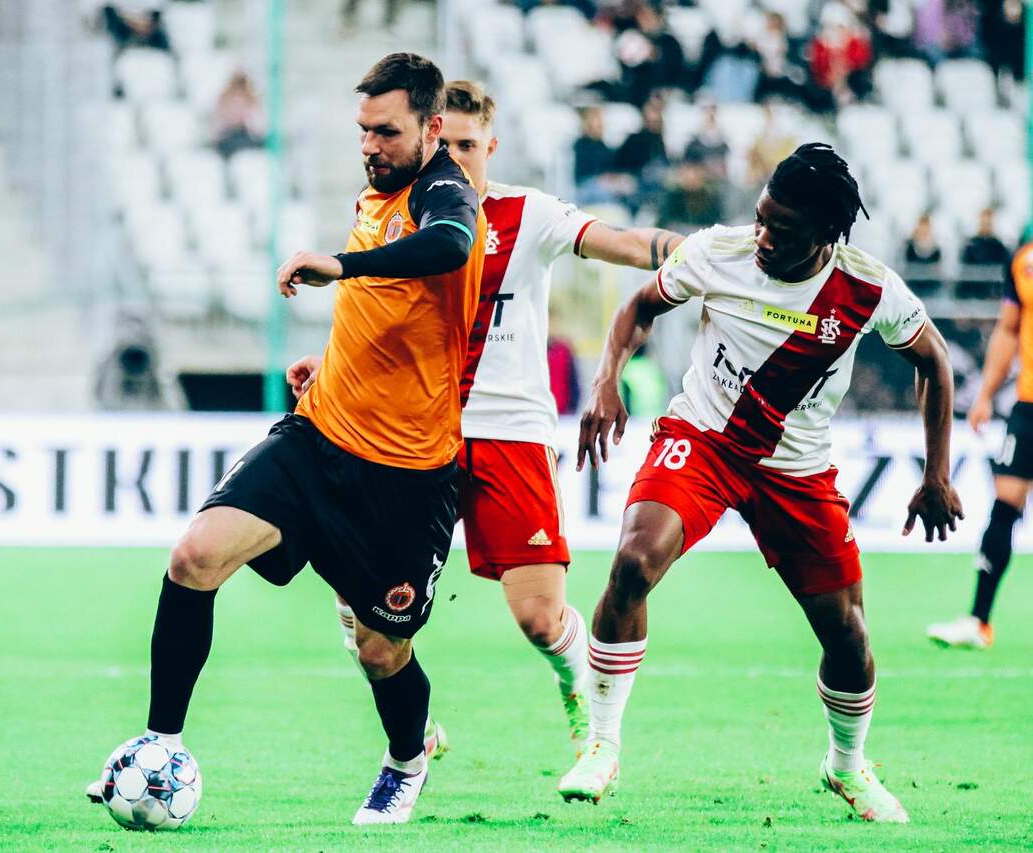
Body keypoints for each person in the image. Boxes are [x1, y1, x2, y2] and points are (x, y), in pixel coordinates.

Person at [88, 53, 487, 826]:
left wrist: (340, 265)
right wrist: (331, 362)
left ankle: (407, 759)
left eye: (387, 131)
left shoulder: (445, 191)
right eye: (363, 130)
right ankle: (157, 747)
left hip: (406, 476)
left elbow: (449, 246)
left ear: (433, 128)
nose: (370, 146)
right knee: (195, 555)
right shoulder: (378, 189)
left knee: (381, 650)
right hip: (319, 438)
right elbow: (394, 318)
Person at [557, 143, 963, 823]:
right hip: (704, 440)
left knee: (847, 635)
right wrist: (606, 382)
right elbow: (638, 308)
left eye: (784, 229)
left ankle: (846, 765)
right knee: (632, 561)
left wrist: (937, 473)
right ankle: (601, 746)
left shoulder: (869, 288)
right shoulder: (720, 250)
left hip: (796, 469)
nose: (764, 238)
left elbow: (935, 361)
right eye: (762, 218)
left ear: (827, 234)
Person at [289, 80, 683, 778]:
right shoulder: (398, 212)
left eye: (468, 146)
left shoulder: (528, 213)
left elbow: (622, 242)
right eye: (444, 144)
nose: (455, 157)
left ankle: (583, 704)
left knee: (539, 619)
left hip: (508, 430)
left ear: (491, 147)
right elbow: (379, 316)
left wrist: (704, 254)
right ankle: (415, 727)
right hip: (413, 429)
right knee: (357, 604)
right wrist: (329, 364)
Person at [927, 238, 1033, 648]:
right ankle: (978, 621)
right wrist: (985, 394)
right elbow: (1008, 329)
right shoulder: (1024, 260)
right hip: (1028, 406)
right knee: (1004, 505)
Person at [959, 208, 1012, 298]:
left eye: (988, 223)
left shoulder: (998, 246)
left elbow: (1006, 268)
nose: (986, 226)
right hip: (973, 295)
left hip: (993, 294)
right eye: (984, 223)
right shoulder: (971, 245)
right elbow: (965, 271)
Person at [213, 71, 267, 159]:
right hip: (229, 137)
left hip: (245, 136)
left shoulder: (250, 98)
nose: (237, 108)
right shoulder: (226, 97)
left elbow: (258, 129)